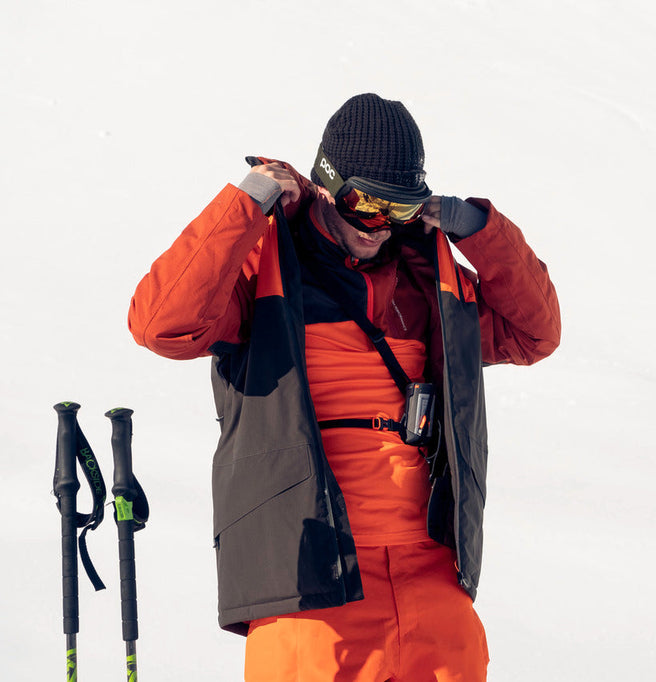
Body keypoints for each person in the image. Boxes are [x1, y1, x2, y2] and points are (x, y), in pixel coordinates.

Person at [127, 93, 561, 681]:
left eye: (399, 208)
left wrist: (480, 229)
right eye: (366, 204)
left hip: (431, 576)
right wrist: (248, 203)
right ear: (328, 185)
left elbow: (534, 333)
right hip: (310, 580)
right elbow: (161, 324)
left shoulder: (429, 284)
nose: (379, 227)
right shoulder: (265, 271)